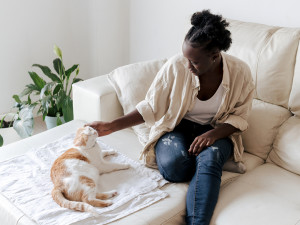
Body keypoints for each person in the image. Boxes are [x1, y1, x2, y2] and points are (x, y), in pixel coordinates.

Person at [86, 10, 255, 225]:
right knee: (175, 166)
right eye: (185, 58)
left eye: (194, 62)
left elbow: (241, 116)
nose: (187, 66)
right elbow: (151, 106)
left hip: (217, 130)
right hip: (178, 127)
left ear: (214, 56)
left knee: (210, 158)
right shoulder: (176, 67)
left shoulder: (241, 72)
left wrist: (213, 135)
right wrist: (112, 125)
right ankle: (205, 168)